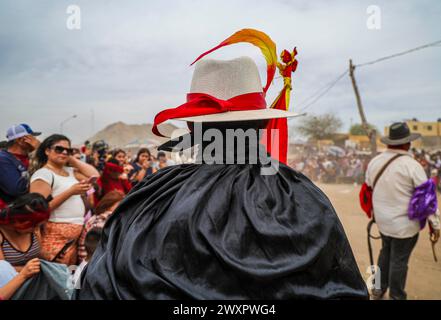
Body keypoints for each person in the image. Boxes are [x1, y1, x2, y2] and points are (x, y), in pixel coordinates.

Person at [78, 43, 368, 299]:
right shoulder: (301, 195)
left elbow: (101, 283)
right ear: (264, 124)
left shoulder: (150, 197)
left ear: (191, 125)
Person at [366, 122, 441, 300]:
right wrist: (435, 225)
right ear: (407, 143)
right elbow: (427, 200)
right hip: (404, 225)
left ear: (389, 142)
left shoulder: (375, 162)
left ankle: (378, 289)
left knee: (385, 253)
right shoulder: (412, 166)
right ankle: (397, 296)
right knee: (399, 260)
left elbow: (368, 188)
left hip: (383, 222)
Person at [30, 134, 99, 265]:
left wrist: (70, 159)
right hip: (54, 237)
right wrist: (71, 192)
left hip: (73, 238)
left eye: (68, 150)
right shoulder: (43, 174)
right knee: (55, 278)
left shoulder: (70, 171)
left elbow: (94, 174)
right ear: (47, 150)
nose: (64, 152)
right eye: (59, 149)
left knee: (68, 279)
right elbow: (36, 211)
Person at [0, 124, 41, 206]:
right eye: (32, 138)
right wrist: (39, 152)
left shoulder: (30, 157)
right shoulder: (3, 159)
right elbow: (18, 189)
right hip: (13, 212)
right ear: (21, 140)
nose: (36, 141)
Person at [78, 190, 124, 261]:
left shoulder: (94, 218)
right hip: (92, 261)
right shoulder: (103, 220)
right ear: (108, 205)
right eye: (119, 205)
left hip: (86, 259)